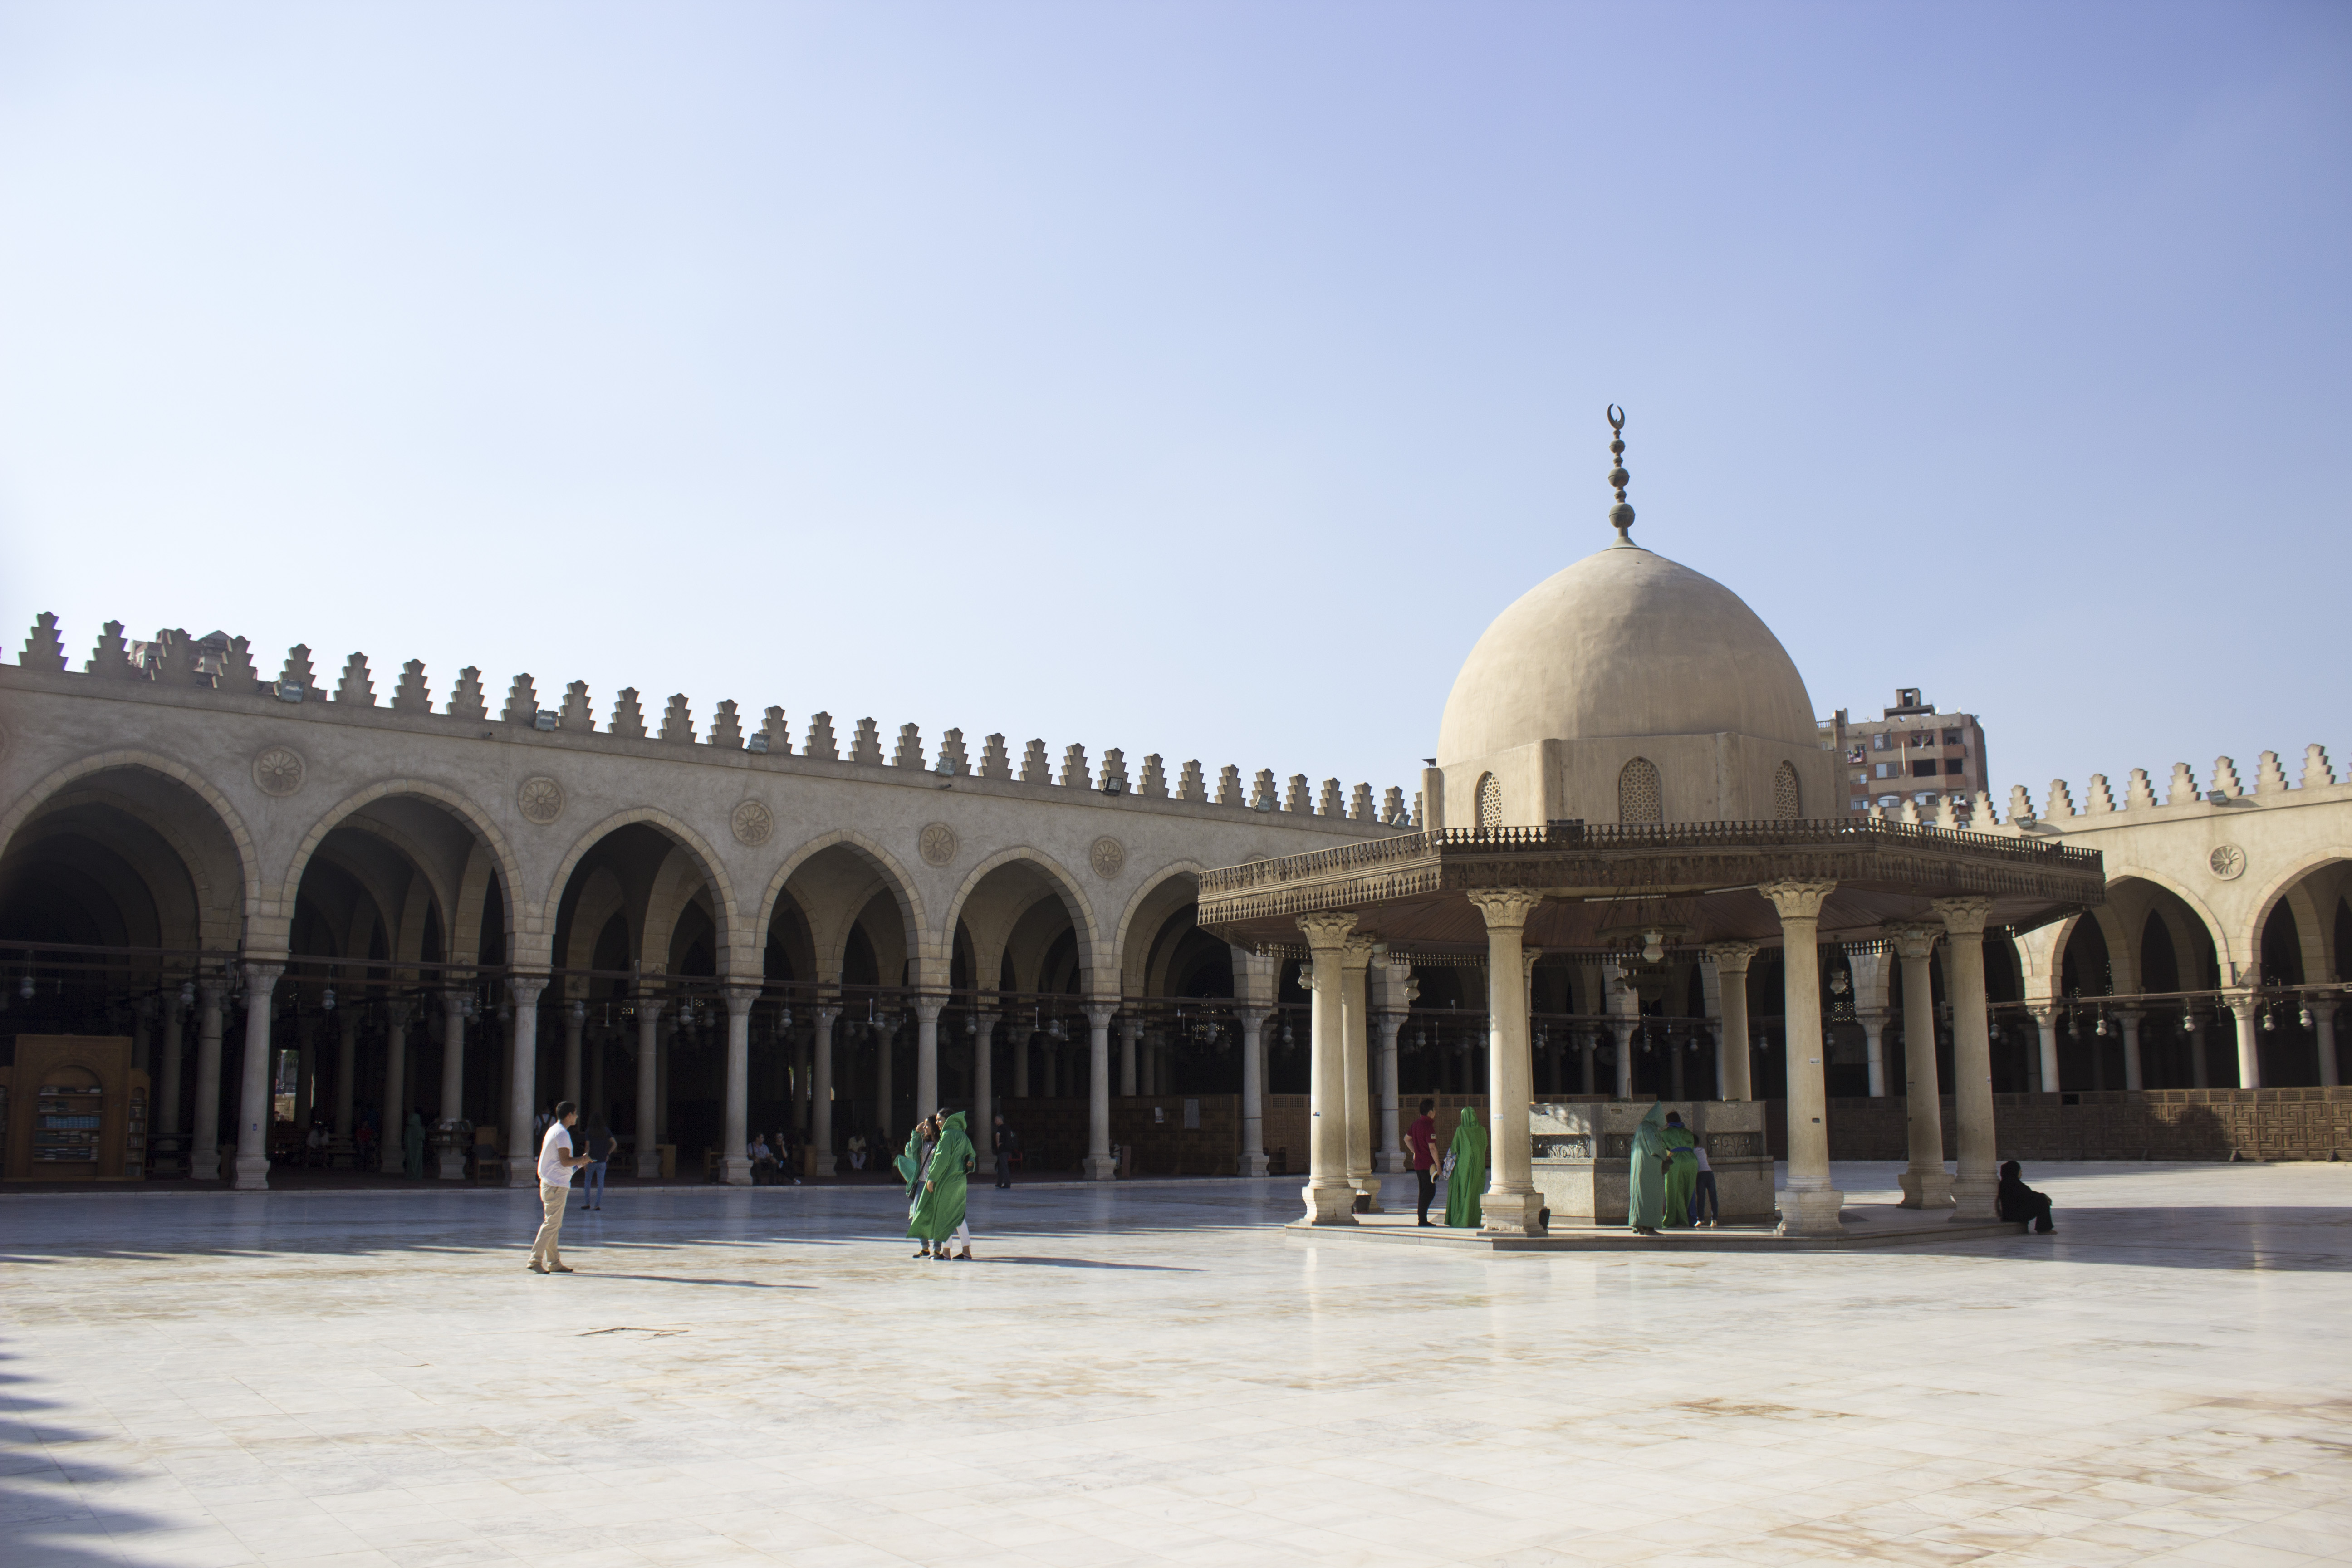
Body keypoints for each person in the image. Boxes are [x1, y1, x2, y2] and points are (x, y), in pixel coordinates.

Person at [528, 1100, 593, 1274]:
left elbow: (562, 1165)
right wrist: (583, 1160)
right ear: (569, 1115)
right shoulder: (562, 1134)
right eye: (576, 1113)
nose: (577, 1116)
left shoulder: (553, 1130)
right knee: (552, 1224)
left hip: (552, 1183)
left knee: (554, 1224)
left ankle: (554, 1262)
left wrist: (580, 1164)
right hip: (556, 1186)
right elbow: (565, 1162)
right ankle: (535, 1260)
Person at [910, 1109, 978, 1260]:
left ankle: (945, 1253)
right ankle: (966, 1251)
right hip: (960, 1181)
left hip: (946, 1181)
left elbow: (941, 1159)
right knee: (959, 1217)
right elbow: (972, 1155)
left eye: (940, 1120)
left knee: (944, 1216)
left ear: (948, 1119)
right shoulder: (963, 1135)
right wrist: (970, 1163)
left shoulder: (947, 1135)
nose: (938, 1123)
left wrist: (932, 1178)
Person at [1627, 1102, 1668, 1235]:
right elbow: (1655, 1148)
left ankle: (1639, 1225)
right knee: (1651, 1195)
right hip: (1649, 1168)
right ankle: (1649, 1227)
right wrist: (1666, 1154)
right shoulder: (1650, 1129)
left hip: (1640, 1168)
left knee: (1640, 1195)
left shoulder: (1641, 1127)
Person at [1443, 1106, 1486, 1228]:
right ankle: (1473, 1220)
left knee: (1462, 1193)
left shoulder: (1461, 1130)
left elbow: (1455, 1148)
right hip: (1479, 1167)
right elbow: (1485, 1145)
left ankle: (1461, 1221)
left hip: (1463, 1168)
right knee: (1475, 1193)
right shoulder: (1482, 1130)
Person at [1660, 1111, 1698, 1229]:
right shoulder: (1688, 1133)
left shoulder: (1664, 1134)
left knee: (1674, 1190)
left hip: (1675, 1161)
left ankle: (1673, 1219)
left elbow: (1661, 1149)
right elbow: (1692, 1146)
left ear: (1668, 1122)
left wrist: (1668, 1156)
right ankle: (1690, 1218)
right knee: (1689, 1190)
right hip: (1691, 1162)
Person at [1405, 1098, 1439, 1227]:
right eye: (1434, 1110)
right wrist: (1439, 1166)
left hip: (1419, 1165)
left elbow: (1407, 1139)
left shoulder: (1416, 1124)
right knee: (1429, 1191)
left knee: (1424, 1191)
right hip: (1428, 1165)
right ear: (1430, 1112)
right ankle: (1422, 1220)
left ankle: (1422, 1219)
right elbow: (1432, 1148)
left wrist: (1415, 1152)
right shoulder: (1428, 1127)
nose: (1435, 1112)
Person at [1998, 1160, 2056, 1233]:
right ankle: (2044, 1229)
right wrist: (2043, 1197)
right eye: (2019, 1170)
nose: (2021, 1172)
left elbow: (2028, 1194)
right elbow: (2026, 1196)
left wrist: (2043, 1195)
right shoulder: (2009, 1184)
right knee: (2041, 1200)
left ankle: (2044, 1228)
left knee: (2041, 1198)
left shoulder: (2013, 1182)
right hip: (2013, 1215)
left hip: (2014, 1213)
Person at [1689, 1136, 1720, 1227]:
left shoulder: (1692, 1152)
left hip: (1701, 1175)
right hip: (1710, 1173)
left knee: (1701, 1198)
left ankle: (1701, 1219)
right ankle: (1714, 1220)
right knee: (1713, 1197)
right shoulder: (1703, 1150)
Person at [582, 1121, 613, 1210]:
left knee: (588, 1181)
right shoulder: (606, 1131)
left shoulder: (589, 1131)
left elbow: (587, 1147)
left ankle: (587, 1203)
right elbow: (614, 1143)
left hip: (591, 1160)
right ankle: (597, 1204)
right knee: (601, 1182)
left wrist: (585, 1160)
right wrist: (608, 1154)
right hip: (602, 1160)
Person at [992, 1115, 1017, 1188]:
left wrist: (998, 1145)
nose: (995, 1121)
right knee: (1001, 1167)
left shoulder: (1001, 1127)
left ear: (1000, 1120)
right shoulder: (1008, 1128)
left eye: (996, 1120)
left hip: (1003, 1150)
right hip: (1008, 1150)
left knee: (1004, 1166)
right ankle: (999, 1183)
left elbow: (997, 1135)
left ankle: (1007, 1183)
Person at [402, 1109, 426, 1179]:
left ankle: (410, 1174)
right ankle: (416, 1175)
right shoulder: (419, 1128)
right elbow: (422, 1137)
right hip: (418, 1147)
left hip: (409, 1148)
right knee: (417, 1161)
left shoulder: (409, 1129)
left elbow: (405, 1138)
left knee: (410, 1161)